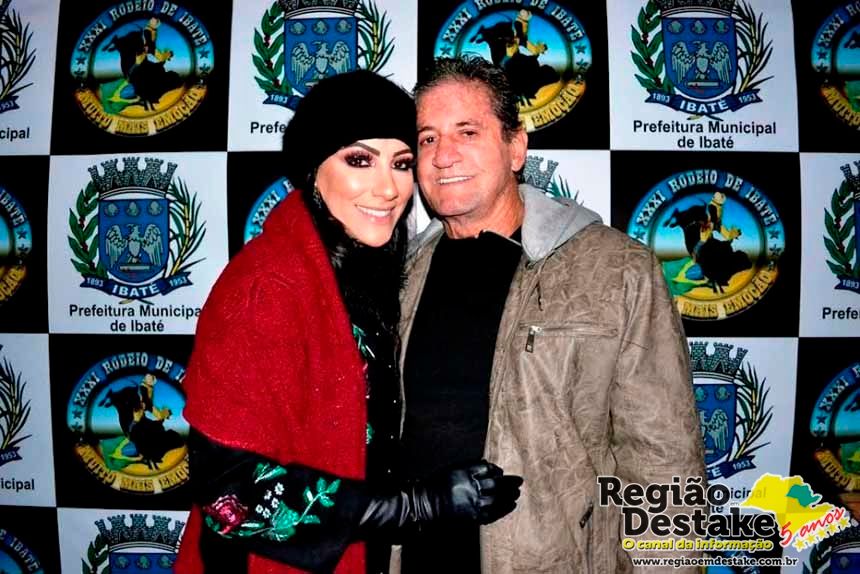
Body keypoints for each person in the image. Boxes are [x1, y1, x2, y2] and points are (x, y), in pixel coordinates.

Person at [175, 70, 523, 574]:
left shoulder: (360, 270)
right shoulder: (268, 287)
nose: (387, 188)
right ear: (313, 169)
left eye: (401, 163)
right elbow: (227, 492)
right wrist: (414, 506)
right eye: (359, 160)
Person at [396, 57, 706, 573]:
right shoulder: (399, 276)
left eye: (467, 132)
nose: (444, 155)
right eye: (428, 138)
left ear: (516, 147)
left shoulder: (615, 269)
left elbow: (664, 460)